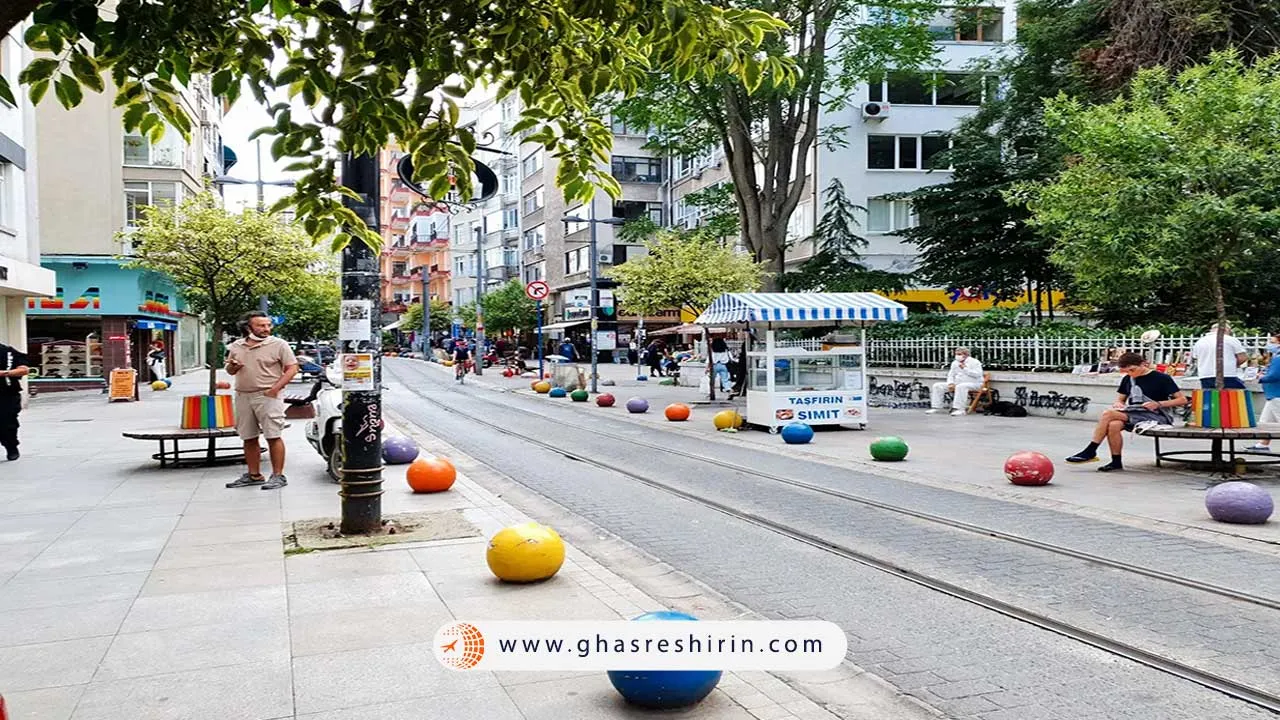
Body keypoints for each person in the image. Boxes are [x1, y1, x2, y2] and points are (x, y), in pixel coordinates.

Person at [1066, 352, 1187, 472]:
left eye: (1132, 370)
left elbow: (1182, 400)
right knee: (1113, 425)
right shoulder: (1128, 379)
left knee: (1108, 414)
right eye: (1127, 371)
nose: (1130, 374)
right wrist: (1119, 404)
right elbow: (1120, 400)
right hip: (1135, 413)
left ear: (1143, 364)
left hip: (1157, 415)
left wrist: (1158, 404)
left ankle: (1091, 450)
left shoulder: (1161, 378)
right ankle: (1116, 462)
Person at [224, 312, 299, 490]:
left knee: (273, 435)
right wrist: (232, 367)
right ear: (248, 327)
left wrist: (275, 389)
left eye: (268, 325)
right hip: (243, 395)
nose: (266, 329)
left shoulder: (278, 344)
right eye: (261, 325)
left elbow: (292, 368)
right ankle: (253, 474)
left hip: (267, 395)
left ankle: (278, 475)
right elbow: (230, 370)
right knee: (248, 436)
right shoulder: (237, 345)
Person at [927, 347, 985, 416]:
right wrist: (950, 383)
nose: (957, 356)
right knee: (937, 386)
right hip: (958, 383)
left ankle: (960, 409)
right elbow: (951, 375)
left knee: (961, 387)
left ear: (966, 354)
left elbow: (978, 374)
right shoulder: (955, 363)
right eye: (956, 354)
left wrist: (965, 369)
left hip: (975, 384)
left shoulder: (975, 362)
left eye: (959, 354)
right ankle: (936, 407)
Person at [1248, 333, 1280, 452]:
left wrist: (1260, 378)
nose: (1269, 345)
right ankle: (1262, 445)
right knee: (1265, 422)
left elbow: (1274, 376)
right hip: (1272, 394)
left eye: (1273, 342)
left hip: (1277, 394)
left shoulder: (1278, 358)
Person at [0, 341, 30, 461]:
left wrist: (5, 373)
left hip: (7, 394)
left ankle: (11, 446)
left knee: (6, 423)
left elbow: (24, 369)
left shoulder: (8, 352)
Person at [1193, 323, 1247, 389]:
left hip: (1205, 375)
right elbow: (1242, 358)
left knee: (1211, 397)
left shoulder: (1200, 342)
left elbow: (1196, 358)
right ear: (1226, 330)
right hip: (1227, 374)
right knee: (1234, 396)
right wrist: (1234, 364)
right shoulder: (1231, 339)